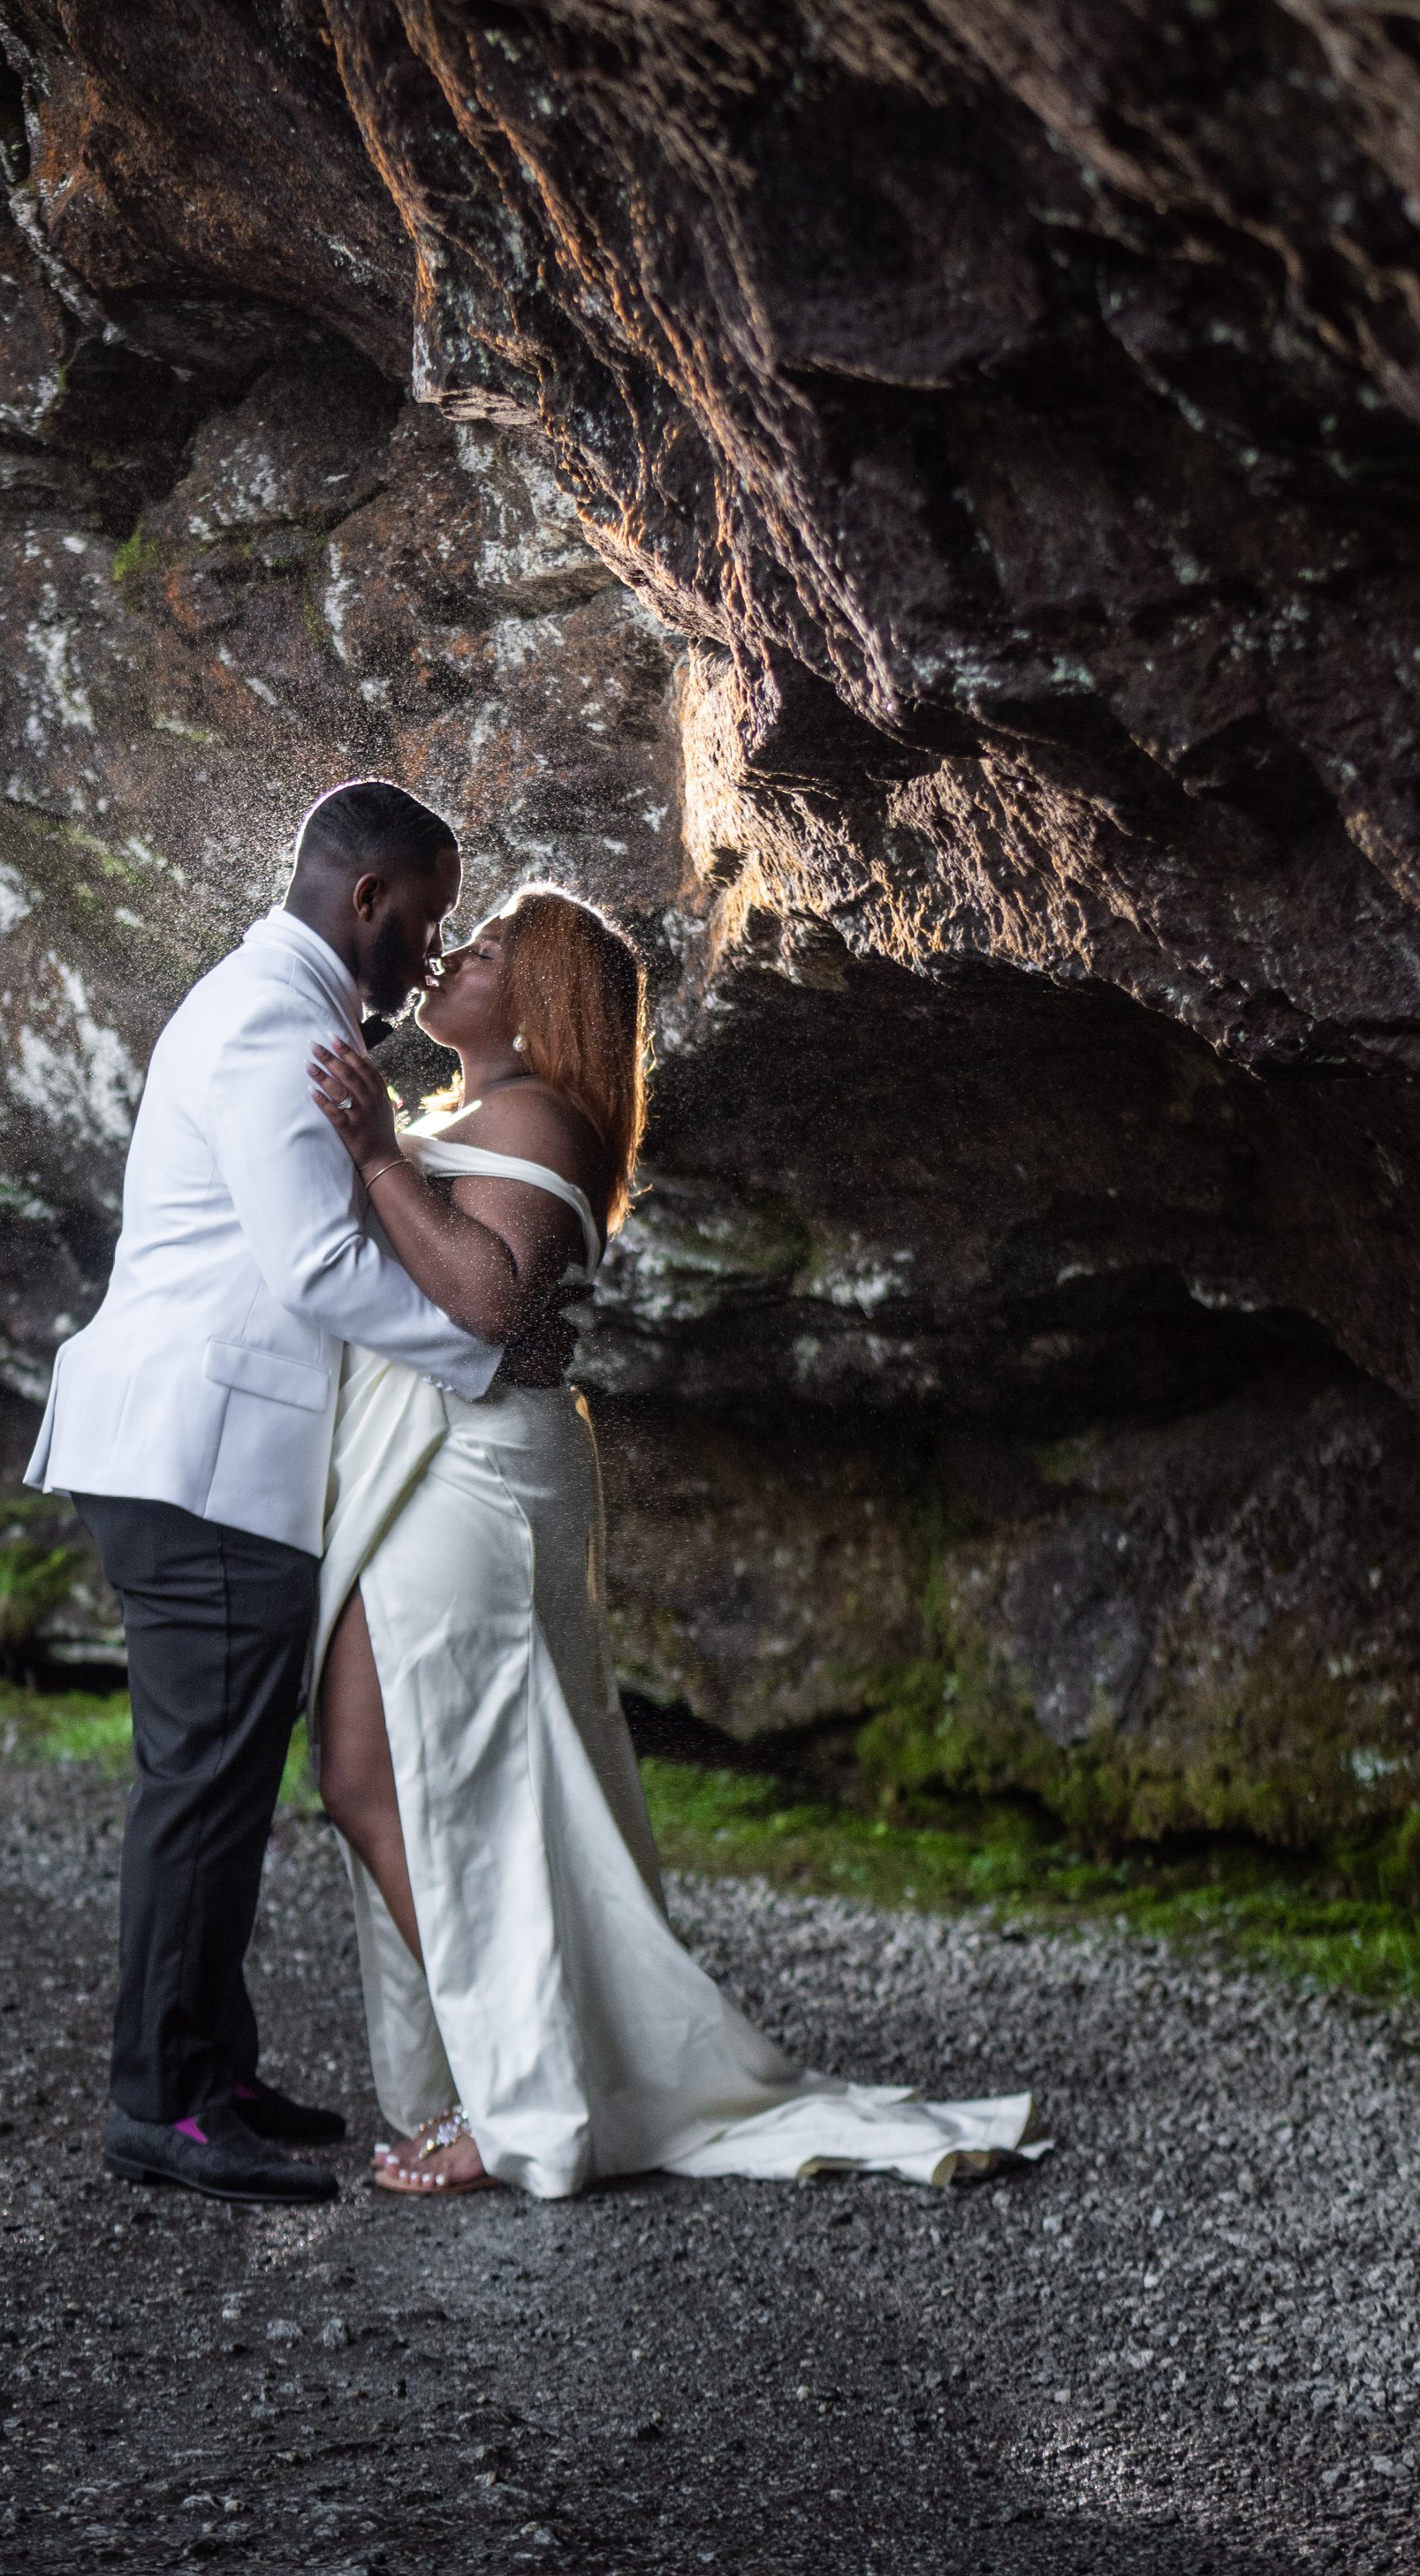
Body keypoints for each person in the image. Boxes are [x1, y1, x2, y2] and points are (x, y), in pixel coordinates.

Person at [305, 886, 1043, 2199]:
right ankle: (517, 2074)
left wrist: (371, 1154)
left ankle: (518, 2103)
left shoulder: (539, 1114)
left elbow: (481, 1296)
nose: (454, 957)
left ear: (537, 1004)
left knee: (456, 1782)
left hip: (469, 1471)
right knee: (375, 1774)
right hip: (442, 1468)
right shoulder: (492, 1112)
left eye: (486, 953)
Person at [24, 778, 505, 2205]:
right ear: (369, 898)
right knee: (200, 1790)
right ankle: (162, 2105)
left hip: (208, 1457)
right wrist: (479, 1352)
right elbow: (312, 1266)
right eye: (427, 918)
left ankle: (210, 2068)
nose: (432, 952)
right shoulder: (271, 1018)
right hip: (202, 1462)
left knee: (221, 1786)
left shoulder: (274, 1001)